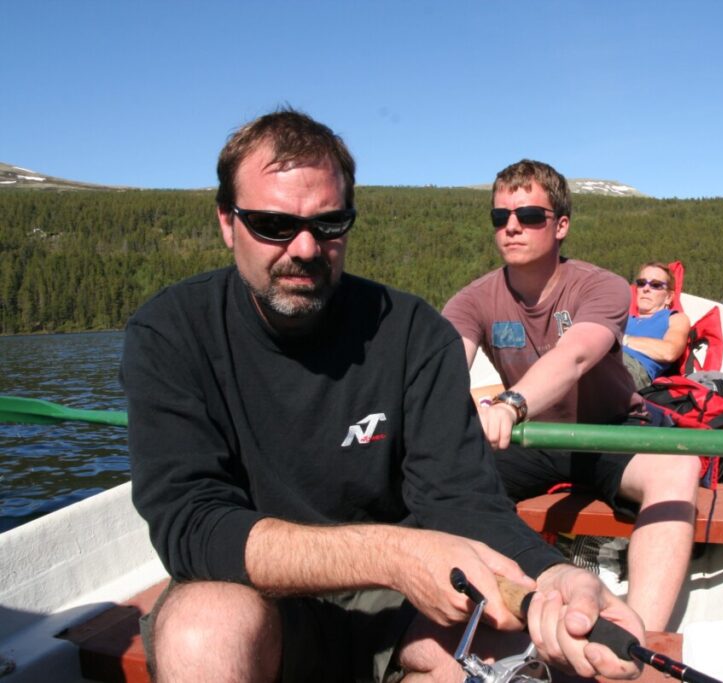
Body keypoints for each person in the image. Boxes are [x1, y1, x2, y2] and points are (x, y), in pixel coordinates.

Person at [120, 111, 644, 683]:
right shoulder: (172, 333)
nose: (304, 247)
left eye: (329, 224)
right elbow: (192, 526)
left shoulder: (414, 334)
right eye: (272, 224)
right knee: (201, 626)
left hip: (401, 608)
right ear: (227, 222)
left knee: (542, 662)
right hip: (256, 593)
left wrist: (551, 577)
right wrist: (394, 555)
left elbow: (461, 500)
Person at [442, 160, 702, 632]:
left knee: (680, 467)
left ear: (560, 225)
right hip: (532, 439)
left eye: (530, 216)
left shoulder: (598, 285)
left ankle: (637, 636)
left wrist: (509, 404)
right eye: (501, 218)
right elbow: (442, 371)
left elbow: (577, 356)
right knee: (439, 479)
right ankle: (519, 601)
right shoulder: (471, 300)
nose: (513, 227)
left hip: (608, 431)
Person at [621, 262, 692, 389]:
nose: (646, 289)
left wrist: (622, 339)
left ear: (669, 297)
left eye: (655, 285)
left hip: (630, 368)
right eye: (641, 283)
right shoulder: (623, 317)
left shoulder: (675, 318)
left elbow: (669, 352)